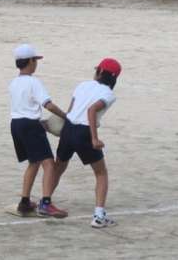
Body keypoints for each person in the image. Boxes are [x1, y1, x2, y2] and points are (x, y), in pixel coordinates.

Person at [52, 58, 121, 228]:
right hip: (84, 132)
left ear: (99, 72)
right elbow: (92, 110)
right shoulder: (109, 94)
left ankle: (45, 202)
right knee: (101, 173)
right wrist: (94, 138)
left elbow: (70, 111)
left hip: (68, 128)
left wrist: (61, 129)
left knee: (58, 167)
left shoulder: (82, 85)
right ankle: (99, 216)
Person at [9, 43, 68, 218]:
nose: (36, 63)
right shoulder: (34, 82)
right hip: (30, 126)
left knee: (34, 162)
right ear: (30, 61)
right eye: (35, 60)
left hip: (16, 124)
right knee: (49, 163)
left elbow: (23, 107)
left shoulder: (13, 83)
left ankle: (25, 202)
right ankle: (46, 204)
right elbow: (48, 105)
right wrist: (66, 116)